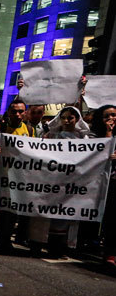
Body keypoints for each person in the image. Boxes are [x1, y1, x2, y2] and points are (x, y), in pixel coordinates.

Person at [27, 106, 90, 257]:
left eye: (71, 118)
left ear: (77, 119)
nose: (67, 121)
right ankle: (36, 244)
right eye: (64, 117)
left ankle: (57, 247)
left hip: (69, 182)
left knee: (62, 215)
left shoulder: (84, 139)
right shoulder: (51, 135)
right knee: (42, 214)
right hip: (49, 180)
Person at [0, 99, 35, 251]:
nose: (17, 114)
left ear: (25, 113)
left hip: (18, 177)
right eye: (14, 111)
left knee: (12, 209)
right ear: (8, 112)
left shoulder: (29, 130)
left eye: (21, 111)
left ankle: (6, 237)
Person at [90, 105, 116, 266]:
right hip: (104, 183)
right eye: (108, 116)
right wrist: (108, 132)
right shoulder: (95, 135)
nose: (112, 119)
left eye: (114, 115)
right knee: (111, 219)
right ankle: (109, 253)